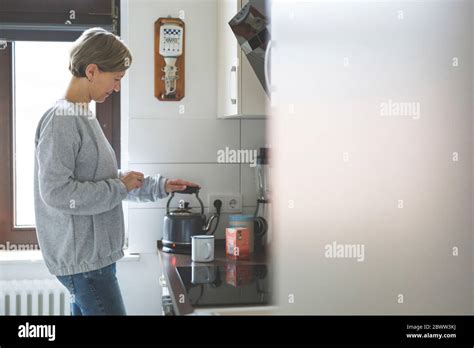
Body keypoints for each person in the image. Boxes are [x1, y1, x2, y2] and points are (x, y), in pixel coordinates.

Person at [33, 27, 198, 315]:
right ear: (93, 70)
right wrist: (120, 187)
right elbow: (57, 192)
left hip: (90, 262)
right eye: (116, 79)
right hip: (86, 264)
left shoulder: (82, 116)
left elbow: (105, 180)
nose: (117, 88)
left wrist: (159, 186)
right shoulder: (63, 119)